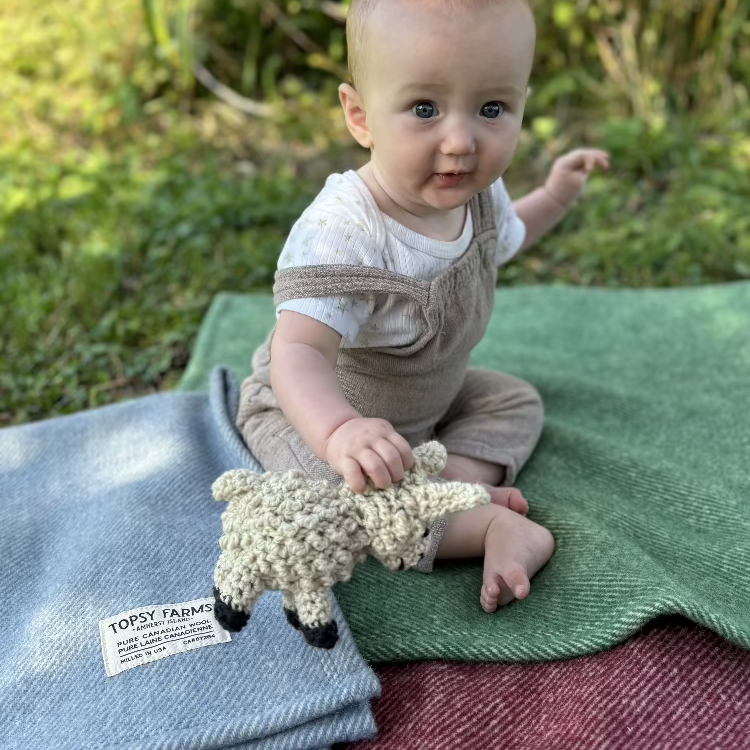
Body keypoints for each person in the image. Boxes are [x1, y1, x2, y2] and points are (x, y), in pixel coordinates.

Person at [236, 0, 609, 613]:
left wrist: (558, 196)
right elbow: (297, 350)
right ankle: (487, 527)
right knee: (337, 498)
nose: (461, 140)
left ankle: (452, 480)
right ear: (360, 116)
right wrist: (339, 431)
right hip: (315, 411)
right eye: (425, 109)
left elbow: (510, 236)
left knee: (513, 401)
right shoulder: (345, 231)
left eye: (492, 109)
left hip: (430, 401)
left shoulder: (481, 196)